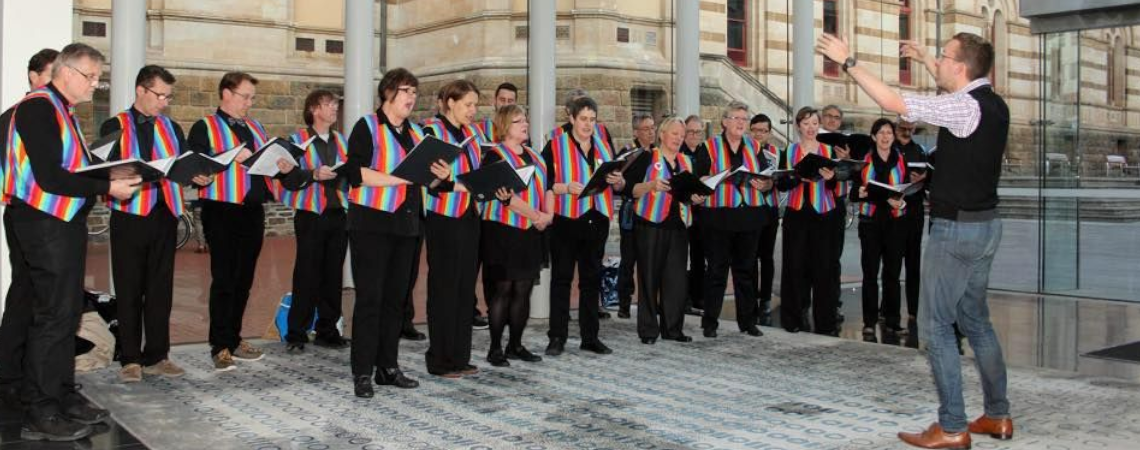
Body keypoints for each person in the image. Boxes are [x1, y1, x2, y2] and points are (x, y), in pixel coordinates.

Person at [819, 31, 1013, 448]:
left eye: (944, 57)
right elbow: (952, 87)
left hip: (956, 231)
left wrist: (848, 60)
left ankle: (953, 427)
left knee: (936, 326)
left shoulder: (963, 107)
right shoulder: (994, 104)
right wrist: (927, 59)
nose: (939, 62)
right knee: (977, 322)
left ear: (961, 67)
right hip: (986, 226)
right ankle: (998, 416)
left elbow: (892, 103)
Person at [1, 43, 140, 442]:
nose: (96, 85)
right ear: (66, 71)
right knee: (54, 316)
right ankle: (39, 410)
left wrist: (112, 173)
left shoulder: (61, 111)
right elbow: (49, 177)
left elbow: (72, 168)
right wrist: (108, 186)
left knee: (65, 313)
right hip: (44, 223)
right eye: (91, 76)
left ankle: (60, 395)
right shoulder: (38, 108)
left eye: (98, 77)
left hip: (60, 223)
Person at [345, 68, 451, 397]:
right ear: (388, 91)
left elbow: (429, 181)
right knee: (370, 300)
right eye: (406, 91)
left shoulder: (417, 134)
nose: (411, 98)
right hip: (371, 222)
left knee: (395, 301)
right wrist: (401, 178)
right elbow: (355, 173)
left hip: (406, 225)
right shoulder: (367, 126)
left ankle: (388, 367)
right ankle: (362, 371)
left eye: (415, 93)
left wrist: (441, 175)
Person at [100, 65, 200, 383]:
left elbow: (183, 163)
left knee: (161, 289)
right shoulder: (113, 124)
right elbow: (104, 169)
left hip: (165, 213)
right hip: (129, 214)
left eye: (168, 96)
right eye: (160, 95)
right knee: (129, 287)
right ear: (141, 90)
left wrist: (197, 173)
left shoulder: (172, 127)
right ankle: (130, 358)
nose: (165, 102)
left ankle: (158, 355)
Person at [188, 72, 293, 371]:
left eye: (252, 98)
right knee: (224, 278)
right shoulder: (204, 126)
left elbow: (265, 163)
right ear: (226, 94)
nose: (250, 102)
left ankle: (234, 338)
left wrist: (281, 165)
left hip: (252, 209)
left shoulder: (256, 127)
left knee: (244, 279)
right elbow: (194, 163)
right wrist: (229, 155)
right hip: (221, 208)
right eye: (245, 96)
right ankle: (219, 344)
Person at [543, 96, 624, 356]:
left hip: (596, 217)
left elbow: (615, 183)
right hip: (566, 220)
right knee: (561, 279)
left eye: (592, 119)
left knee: (591, 280)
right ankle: (557, 337)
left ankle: (590, 337)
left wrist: (616, 178)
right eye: (583, 119)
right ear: (571, 119)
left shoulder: (603, 146)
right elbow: (543, 184)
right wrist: (565, 188)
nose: (588, 125)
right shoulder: (554, 145)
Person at [0, 47, 58, 409]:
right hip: (29, 214)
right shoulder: (22, 114)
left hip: (35, 215)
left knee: (31, 295)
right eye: (53, 75)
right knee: (27, 295)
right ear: (34, 76)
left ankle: (17, 371)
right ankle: (10, 374)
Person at [419, 80, 485, 378]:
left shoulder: (474, 133)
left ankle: (460, 356)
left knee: (463, 288)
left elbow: (477, 171)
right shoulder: (430, 130)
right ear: (449, 102)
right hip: (443, 216)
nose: (473, 111)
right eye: (467, 104)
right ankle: (440, 358)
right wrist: (455, 181)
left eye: (475, 105)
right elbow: (430, 177)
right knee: (444, 288)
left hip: (470, 214)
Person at [279, 89, 350, 354]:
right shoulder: (296, 141)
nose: (334, 108)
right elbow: (287, 178)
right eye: (329, 104)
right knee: (307, 274)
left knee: (333, 274)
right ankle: (296, 332)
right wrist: (312, 174)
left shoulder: (342, 141)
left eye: (335, 104)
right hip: (311, 215)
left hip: (338, 214)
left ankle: (327, 330)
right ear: (314, 109)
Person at [480, 104, 552, 367]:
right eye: (518, 121)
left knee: (523, 289)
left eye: (525, 120)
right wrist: (537, 215)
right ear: (504, 126)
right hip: (502, 230)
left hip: (530, 232)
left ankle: (516, 345)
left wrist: (549, 215)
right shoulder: (495, 156)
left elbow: (549, 188)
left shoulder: (536, 156)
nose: (525, 124)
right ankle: (495, 348)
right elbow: (504, 197)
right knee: (503, 288)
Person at [623, 117, 705, 344]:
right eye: (675, 133)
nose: (679, 138)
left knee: (676, 280)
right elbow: (630, 190)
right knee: (649, 278)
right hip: (650, 224)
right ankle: (649, 330)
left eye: (682, 134)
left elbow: (690, 194)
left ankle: (673, 328)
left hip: (678, 226)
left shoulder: (687, 162)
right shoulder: (647, 158)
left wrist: (696, 198)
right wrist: (651, 186)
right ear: (662, 135)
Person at [693, 101, 768, 339]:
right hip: (718, 216)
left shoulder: (755, 146)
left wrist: (765, 183)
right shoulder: (708, 146)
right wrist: (711, 178)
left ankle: (748, 322)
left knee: (746, 272)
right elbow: (698, 179)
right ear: (724, 121)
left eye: (744, 119)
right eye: (736, 118)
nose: (740, 123)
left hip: (749, 216)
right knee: (716, 271)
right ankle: (710, 322)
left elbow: (767, 179)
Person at [777, 107, 842, 336]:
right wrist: (797, 177)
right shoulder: (789, 151)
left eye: (814, 123)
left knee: (824, 269)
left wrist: (831, 178)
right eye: (806, 124)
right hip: (796, 214)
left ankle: (825, 322)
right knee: (794, 267)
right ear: (798, 127)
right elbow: (781, 184)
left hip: (824, 214)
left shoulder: (827, 150)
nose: (811, 127)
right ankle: (792, 319)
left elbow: (836, 187)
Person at [849, 119, 907, 344]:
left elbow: (907, 192)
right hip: (871, 223)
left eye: (889, 133)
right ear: (873, 137)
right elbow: (853, 192)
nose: (885, 137)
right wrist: (860, 193)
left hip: (894, 222)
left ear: (893, 136)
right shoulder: (864, 162)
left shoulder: (901, 161)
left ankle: (893, 320)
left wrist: (901, 204)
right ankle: (869, 322)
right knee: (870, 274)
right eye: (881, 133)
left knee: (892, 274)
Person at [616, 114, 656, 319]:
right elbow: (618, 183)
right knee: (629, 258)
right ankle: (624, 302)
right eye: (646, 128)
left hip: (654, 211)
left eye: (653, 127)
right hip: (632, 212)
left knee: (649, 259)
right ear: (635, 132)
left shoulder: (658, 154)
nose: (651, 131)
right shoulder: (628, 154)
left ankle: (649, 302)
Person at [895, 118, 929, 346]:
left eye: (910, 129)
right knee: (892, 264)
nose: (907, 132)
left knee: (913, 263)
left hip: (914, 211)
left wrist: (922, 180)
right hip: (894, 212)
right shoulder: (891, 150)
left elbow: (929, 180)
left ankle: (914, 311)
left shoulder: (920, 151)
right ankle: (890, 312)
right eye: (903, 128)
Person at [749, 114, 781, 327]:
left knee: (767, 257)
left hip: (769, 207)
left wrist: (773, 182)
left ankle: (766, 299)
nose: (759, 134)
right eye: (755, 130)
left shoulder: (777, 153)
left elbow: (783, 178)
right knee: (749, 256)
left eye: (763, 130)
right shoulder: (745, 151)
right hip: (750, 208)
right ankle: (750, 298)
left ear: (769, 132)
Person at [680, 115, 706, 315]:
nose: (695, 136)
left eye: (698, 132)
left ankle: (698, 297)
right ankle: (683, 299)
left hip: (703, 213)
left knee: (699, 257)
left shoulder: (705, 152)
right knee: (682, 258)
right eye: (691, 132)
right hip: (682, 211)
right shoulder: (679, 154)